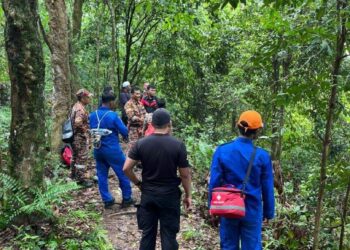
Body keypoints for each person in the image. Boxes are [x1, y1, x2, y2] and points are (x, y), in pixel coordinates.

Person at [123, 108, 192, 250]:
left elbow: (126, 168)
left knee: (148, 234)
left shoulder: (141, 143)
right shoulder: (178, 145)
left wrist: (138, 183)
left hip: (148, 195)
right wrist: (188, 195)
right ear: (169, 124)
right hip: (169, 196)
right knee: (169, 235)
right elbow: (185, 174)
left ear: (152, 124)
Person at [208, 110, 275, 250]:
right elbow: (267, 187)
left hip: (228, 208)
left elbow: (214, 182)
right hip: (252, 210)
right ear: (257, 131)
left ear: (238, 126)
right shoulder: (262, 156)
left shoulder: (222, 150)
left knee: (228, 246)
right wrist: (269, 212)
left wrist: (212, 207)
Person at [90, 91, 134, 209]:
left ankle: (107, 200)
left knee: (102, 175)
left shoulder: (92, 115)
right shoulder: (113, 115)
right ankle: (127, 198)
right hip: (112, 150)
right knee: (124, 172)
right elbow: (124, 131)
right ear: (111, 102)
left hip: (98, 149)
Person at [71, 88, 94, 188]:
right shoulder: (80, 109)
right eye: (88, 97)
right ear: (83, 98)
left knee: (76, 156)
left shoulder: (77, 106)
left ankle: (74, 175)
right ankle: (81, 179)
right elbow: (77, 122)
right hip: (79, 137)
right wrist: (86, 130)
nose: (89, 99)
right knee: (82, 157)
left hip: (76, 137)